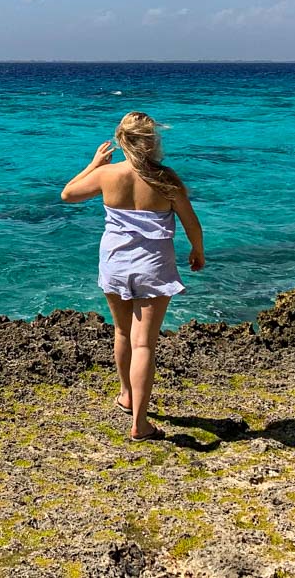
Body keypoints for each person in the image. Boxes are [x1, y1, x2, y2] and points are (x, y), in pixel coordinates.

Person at [60, 111, 205, 441]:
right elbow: (191, 222)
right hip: (153, 267)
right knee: (145, 345)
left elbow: (68, 193)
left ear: (121, 141)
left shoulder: (108, 175)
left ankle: (126, 394)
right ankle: (140, 423)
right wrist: (197, 250)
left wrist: (94, 164)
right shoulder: (166, 178)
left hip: (114, 263)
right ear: (152, 142)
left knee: (122, 333)